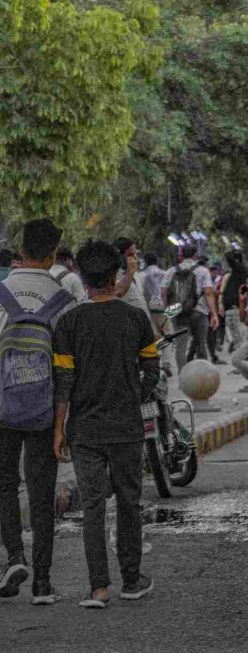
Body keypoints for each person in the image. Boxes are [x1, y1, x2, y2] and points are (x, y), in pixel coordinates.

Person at [52, 239, 158, 608]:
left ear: (82, 276)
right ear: (116, 276)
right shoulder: (136, 318)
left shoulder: (69, 322)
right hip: (126, 427)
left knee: (93, 506)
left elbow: (64, 382)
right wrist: (137, 397)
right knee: (129, 502)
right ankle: (132, 580)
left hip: (85, 429)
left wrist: (59, 428)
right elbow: (152, 370)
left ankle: (98, 588)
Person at [0, 219, 76, 605]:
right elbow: (66, 370)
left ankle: (14, 555)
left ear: (21, 249)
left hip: (3, 408)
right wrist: (63, 424)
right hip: (46, 413)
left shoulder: (0, 293)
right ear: (51, 254)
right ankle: (42, 583)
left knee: (4, 485)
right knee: (42, 491)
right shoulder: (63, 300)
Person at [161, 244, 219, 370]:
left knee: (180, 346)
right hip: (199, 311)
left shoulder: (171, 271)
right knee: (200, 344)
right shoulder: (203, 271)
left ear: (181, 256)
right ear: (195, 256)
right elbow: (208, 292)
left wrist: (169, 309)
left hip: (178, 312)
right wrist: (213, 314)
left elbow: (164, 292)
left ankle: (183, 377)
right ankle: (204, 375)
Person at [112, 237, 149, 316]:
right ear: (119, 257)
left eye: (135, 254)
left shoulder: (135, 274)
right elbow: (118, 292)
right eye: (130, 254)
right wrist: (129, 272)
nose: (135, 258)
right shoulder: (112, 276)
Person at [219, 251, 247, 353]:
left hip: (234, 307)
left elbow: (229, 257)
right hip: (233, 307)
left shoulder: (239, 269)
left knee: (238, 336)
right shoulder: (236, 273)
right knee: (236, 336)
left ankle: (242, 358)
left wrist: (229, 251)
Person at [141, 252, 166, 336]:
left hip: (148, 307)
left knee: (152, 333)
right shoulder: (164, 273)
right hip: (162, 306)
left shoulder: (142, 275)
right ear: (156, 261)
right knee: (166, 332)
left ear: (145, 261)